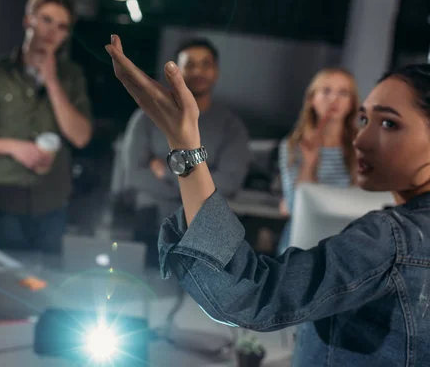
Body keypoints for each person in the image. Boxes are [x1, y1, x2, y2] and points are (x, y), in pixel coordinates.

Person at [106, 34, 430, 365]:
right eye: (364, 120)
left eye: (389, 123)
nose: (362, 139)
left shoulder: (393, 240)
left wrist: (184, 145)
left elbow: (249, 295)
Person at [0, 0, 92, 253]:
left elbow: (80, 137)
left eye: (61, 26)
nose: (51, 32)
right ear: (28, 20)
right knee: (3, 279)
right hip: (4, 194)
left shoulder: (72, 77)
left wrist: (52, 80)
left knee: (46, 285)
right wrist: (16, 148)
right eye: (46, 20)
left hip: (53, 198)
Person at [122, 38, 250, 265]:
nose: (198, 71)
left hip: (203, 228)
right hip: (150, 224)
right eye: (190, 64)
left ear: (216, 72)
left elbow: (229, 182)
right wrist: (197, 183)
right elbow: (134, 174)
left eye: (205, 64)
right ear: (176, 70)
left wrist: (168, 175)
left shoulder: (232, 126)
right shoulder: (147, 116)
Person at [276, 68, 359, 254]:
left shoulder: (363, 147)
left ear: (352, 103)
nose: (334, 99)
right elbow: (292, 207)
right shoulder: (293, 146)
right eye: (326, 91)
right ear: (312, 99)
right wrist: (308, 163)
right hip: (301, 243)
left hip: (347, 244)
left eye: (343, 93)